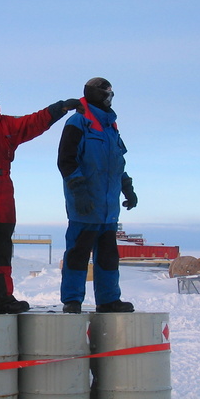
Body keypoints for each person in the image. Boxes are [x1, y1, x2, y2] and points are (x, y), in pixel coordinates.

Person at [0, 81, 82, 315]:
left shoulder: (7, 124)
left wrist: (60, 108)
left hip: (4, 189)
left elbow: (34, 122)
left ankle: (3, 299)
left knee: (2, 247)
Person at [57, 77, 137, 314]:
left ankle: (109, 299)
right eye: (106, 92)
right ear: (95, 94)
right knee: (77, 255)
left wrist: (128, 187)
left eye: (111, 93)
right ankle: (72, 300)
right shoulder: (78, 122)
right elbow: (66, 161)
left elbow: (117, 163)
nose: (110, 97)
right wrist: (78, 192)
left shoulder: (111, 127)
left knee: (108, 257)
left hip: (108, 209)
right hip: (84, 206)